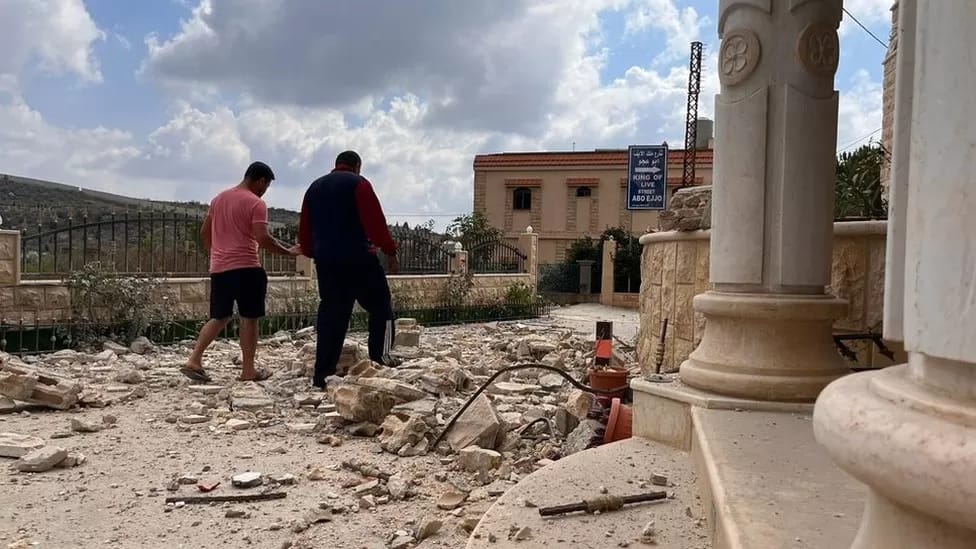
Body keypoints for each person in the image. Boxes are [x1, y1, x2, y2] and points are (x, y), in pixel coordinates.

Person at [181, 161, 299, 383]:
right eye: (266, 186)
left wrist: (217, 252)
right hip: (247, 268)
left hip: (220, 268)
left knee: (219, 316)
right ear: (261, 180)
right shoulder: (256, 203)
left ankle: (194, 360)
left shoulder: (218, 199)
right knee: (250, 318)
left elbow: (205, 233)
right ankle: (248, 370)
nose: (264, 192)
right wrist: (288, 252)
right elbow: (263, 238)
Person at [298, 150, 400, 390]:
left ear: (336, 165)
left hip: (327, 263)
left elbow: (305, 229)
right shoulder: (359, 184)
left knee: (332, 314)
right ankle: (380, 359)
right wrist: (390, 251)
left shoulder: (314, 188)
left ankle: (322, 373)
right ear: (357, 166)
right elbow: (375, 223)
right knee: (381, 307)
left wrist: (314, 252)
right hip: (359, 259)